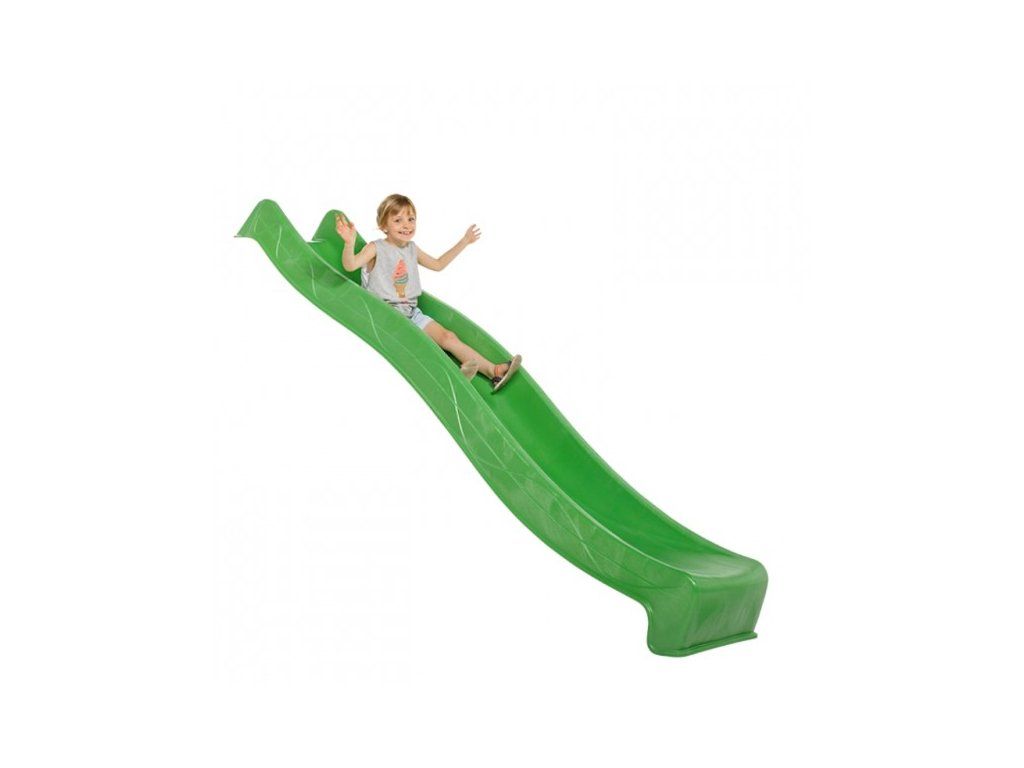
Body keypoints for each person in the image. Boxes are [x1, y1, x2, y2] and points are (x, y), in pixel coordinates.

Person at [336, 194, 522, 392]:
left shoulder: (412, 248)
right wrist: (349, 243)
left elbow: (438, 264)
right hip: (387, 317)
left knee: (448, 337)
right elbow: (350, 265)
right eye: (398, 220)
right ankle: (453, 378)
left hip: (411, 313)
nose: (406, 225)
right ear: (384, 226)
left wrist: (465, 241)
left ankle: (494, 371)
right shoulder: (375, 248)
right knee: (426, 348)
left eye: (411, 219)